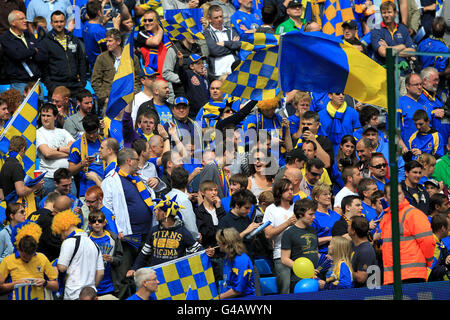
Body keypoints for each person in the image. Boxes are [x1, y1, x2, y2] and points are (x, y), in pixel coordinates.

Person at [101, 148, 155, 279]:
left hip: (146, 234)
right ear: (129, 161)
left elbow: (152, 194)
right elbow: (107, 210)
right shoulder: (110, 181)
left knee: (147, 274)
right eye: (137, 160)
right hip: (127, 237)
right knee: (125, 274)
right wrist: (115, 231)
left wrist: (156, 181)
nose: (139, 162)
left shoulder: (138, 178)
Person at [126, 194, 203, 274]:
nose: (155, 211)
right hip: (157, 277)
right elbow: (144, 253)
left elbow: (197, 250)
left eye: (158, 210)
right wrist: (134, 268)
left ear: (165, 214)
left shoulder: (182, 232)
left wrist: (207, 252)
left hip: (176, 277)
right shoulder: (153, 231)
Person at [380, 183, 436, 284]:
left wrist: (427, 262)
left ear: (403, 194)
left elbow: (428, 242)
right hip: (392, 277)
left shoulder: (414, 214)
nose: (396, 197)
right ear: (385, 197)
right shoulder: (386, 217)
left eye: (399, 193)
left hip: (412, 276)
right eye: (392, 195)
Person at [51, 209, 104, 300]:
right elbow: (101, 273)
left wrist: (55, 263)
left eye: (60, 234)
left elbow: (62, 268)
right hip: (90, 295)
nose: (61, 237)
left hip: (73, 294)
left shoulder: (69, 242)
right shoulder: (94, 244)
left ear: (63, 229)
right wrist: (91, 286)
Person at [91, 28, 141, 115]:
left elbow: (137, 79)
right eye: (107, 41)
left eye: (110, 41)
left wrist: (132, 96)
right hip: (110, 101)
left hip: (128, 101)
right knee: (109, 127)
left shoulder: (132, 58)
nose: (107, 44)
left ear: (118, 42)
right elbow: (95, 81)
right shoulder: (102, 58)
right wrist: (105, 98)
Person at [40, 11, 86, 97]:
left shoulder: (74, 39)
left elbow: (81, 61)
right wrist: (51, 87)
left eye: (61, 21)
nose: (59, 24)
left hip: (76, 86)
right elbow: (43, 68)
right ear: (51, 23)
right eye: (56, 22)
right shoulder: (45, 42)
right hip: (56, 87)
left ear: (65, 22)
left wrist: (82, 82)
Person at [0, 233, 59, 300]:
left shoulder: (42, 258)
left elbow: (56, 286)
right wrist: (15, 284)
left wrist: (45, 283)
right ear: (19, 249)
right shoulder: (7, 261)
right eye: (24, 256)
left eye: (31, 256)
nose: (27, 259)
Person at [0, 10, 46, 94]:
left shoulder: (30, 36)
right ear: (13, 22)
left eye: (25, 18)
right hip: (19, 82)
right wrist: (33, 50)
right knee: (21, 106)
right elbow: (17, 55)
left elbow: (42, 55)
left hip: (36, 81)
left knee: (40, 106)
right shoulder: (5, 38)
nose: (25, 21)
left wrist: (27, 53)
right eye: (22, 19)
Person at [262, 178, 296, 294]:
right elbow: (268, 234)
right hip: (280, 255)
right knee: (285, 289)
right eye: (287, 190)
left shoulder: (296, 207)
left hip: (299, 253)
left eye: (292, 189)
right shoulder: (271, 210)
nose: (291, 192)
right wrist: (287, 223)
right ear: (279, 192)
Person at [36, 103, 75, 197]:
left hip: (68, 179)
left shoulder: (63, 132)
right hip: (49, 178)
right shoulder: (38, 133)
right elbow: (47, 153)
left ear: (55, 117)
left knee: (73, 208)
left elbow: (75, 151)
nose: (45, 118)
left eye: (48, 116)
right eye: (43, 115)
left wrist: (57, 149)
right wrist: (65, 150)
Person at [281, 198, 319, 293]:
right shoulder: (289, 233)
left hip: (316, 276)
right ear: (300, 215)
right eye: (310, 214)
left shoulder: (313, 230)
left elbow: (315, 251)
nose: (314, 217)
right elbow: (284, 259)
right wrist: (306, 270)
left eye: (314, 214)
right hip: (299, 279)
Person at [88, 210, 123, 299]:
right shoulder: (86, 238)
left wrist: (112, 259)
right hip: (91, 284)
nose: (97, 223)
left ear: (104, 223)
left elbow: (120, 259)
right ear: (89, 223)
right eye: (93, 221)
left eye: (99, 221)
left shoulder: (113, 238)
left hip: (110, 284)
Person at [68, 113, 104, 199]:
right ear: (84, 129)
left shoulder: (105, 143)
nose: (91, 135)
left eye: (94, 132)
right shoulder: (77, 146)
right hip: (86, 192)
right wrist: (82, 164)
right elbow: (70, 171)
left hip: (104, 188)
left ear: (98, 128)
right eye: (88, 133)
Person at [0, 136, 44, 205]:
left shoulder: (4, 164)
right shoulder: (16, 165)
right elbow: (20, 191)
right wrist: (35, 187)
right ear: (23, 149)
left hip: (9, 207)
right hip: (17, 207)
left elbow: (1, 195)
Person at [370, 1, 415, 68]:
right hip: (385, 69)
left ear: (395, 13)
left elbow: (412, 51)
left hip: (402, 69)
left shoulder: (403, 29)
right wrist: (402, 46)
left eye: (389, 12)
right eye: (384, 13)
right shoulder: (376, 30)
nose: (387, 15)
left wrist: (388, 48)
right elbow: (384, 53)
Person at [216, 228, 255, 299]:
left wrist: (217, 298)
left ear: (226, 243)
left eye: (219, 241)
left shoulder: (241, 260)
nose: (217, 244)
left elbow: (238, 290)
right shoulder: (228, 256)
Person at [203, 4, 241, 80]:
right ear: (210, 19)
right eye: (216, 18)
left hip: (234, 71)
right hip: (218, 73)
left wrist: (225, 43)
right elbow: (214, 51)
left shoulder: (230, 30)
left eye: (221, 16)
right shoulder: (207, 33)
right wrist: (231, 44)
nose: (219, 19)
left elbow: (239, 45)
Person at [398, 73, 429, 153]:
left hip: (427, 151)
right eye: (416, 85)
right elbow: (392, 130)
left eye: (421, 84)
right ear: (407, 86)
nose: (419, 87)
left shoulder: (426, 103)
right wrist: (403, 147)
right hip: (409, 151)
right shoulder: (399, 103)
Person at [167, 166, 200, 240]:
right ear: (186, 182)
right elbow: (190, 227)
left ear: (171, 181)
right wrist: (197, 236)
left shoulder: (166, 197)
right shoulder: (184, 200)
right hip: (180, 240)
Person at [311, 182, 341, 260]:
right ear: (316, 198)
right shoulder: (313, 217)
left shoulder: (335, 214)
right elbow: (310, 241)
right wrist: (330, 238)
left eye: (329, 194)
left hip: (340, 254)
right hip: (323, 256)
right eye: (325, 194)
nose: (328, 197)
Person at [135, 9, 170, 75]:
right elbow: (156, 42)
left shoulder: (168, 34)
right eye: (145, 20)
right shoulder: (142, 34)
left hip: (168, 73)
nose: (147, 23)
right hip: (152, 75)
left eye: (150, 20)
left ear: (157, 21)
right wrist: (161, 27)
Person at [348, 215, 377, 288]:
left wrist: (344, 270)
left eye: (349, 226)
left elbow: (361, 278)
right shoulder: (353, 245)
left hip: (364, 294)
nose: (347, 227)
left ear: (353, 231)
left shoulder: (365, 251)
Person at [82, 0, 108, 68]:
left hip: (93, 64)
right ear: (99, 13)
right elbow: (112, 46)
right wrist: (116, 26)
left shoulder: (86, 25)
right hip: (103, 66)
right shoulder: (99, 31)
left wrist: (102, 23)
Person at [428, 214, 450, 281]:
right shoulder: (431, 245)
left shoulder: (440, 243)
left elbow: (443, 259)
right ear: (443, 229)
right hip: (429, 286)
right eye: (449, 227)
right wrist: (445, 268)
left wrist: (448, 258)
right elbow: (431, 272)